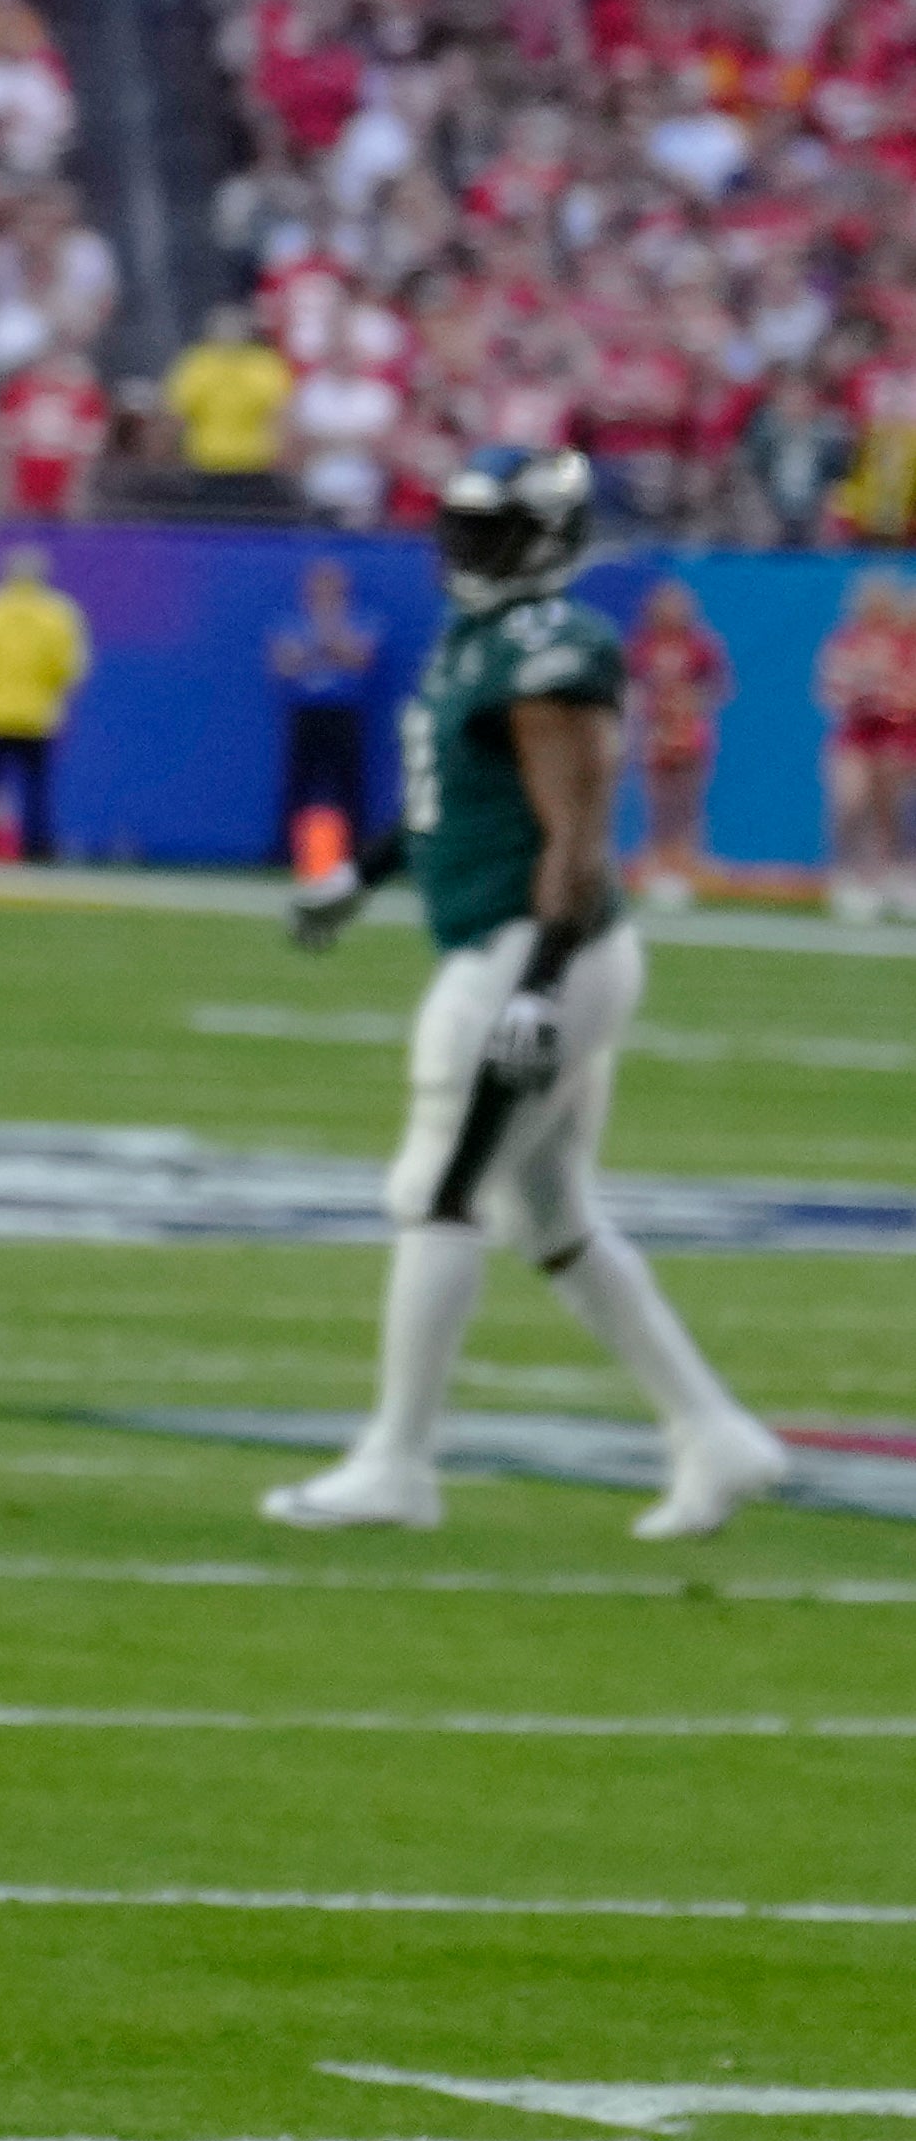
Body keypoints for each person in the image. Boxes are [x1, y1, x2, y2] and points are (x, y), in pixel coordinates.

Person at [272, 449, 785, 1541]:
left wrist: (540, 984)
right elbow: (441, 805)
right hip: (525, 942)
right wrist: (354, 881)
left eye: (488, 533)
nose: (462, 550)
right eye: (460, 529)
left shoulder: (550, 652)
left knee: (439, 1189)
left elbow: (581, 832)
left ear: (543, 540)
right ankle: (714, 1431)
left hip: (531, 949)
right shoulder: (480, 643)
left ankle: (398, 1460)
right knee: (551, 1216)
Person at [0, 543, 86, 860]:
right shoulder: (58, 613)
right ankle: (38, 849)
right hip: (39, 715)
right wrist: (57, 700)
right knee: (36, 788)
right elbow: (70, 667)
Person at [816, 570, 916, 923]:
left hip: (896, 738)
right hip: (855, 736)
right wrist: (862, 692)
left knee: (890, 810)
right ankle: (846, 874)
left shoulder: (904, 641)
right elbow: (830, 689)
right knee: (850, 802)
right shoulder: (847, 641)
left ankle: (892, 875)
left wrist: (893, 698)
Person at [267, 556, 382, 864]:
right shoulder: (291, 621)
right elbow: (284, 665)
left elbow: (361, 659)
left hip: (343, 712)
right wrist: (328, 649)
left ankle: (355, 854)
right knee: (298, 784)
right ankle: (287, 852)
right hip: (306, 712)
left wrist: (322, 644)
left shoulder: (361, 619)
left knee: (349, 785)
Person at [623, 577, 729, 897]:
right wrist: (640, 726)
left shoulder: (700, 645)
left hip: (689, 729)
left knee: (687, 800)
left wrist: (690, 705)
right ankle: (658, 860)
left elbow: (717, 686)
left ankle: (687, 861)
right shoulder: (644, 645)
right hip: (656, 730)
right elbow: (633, 689)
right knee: (659, 800)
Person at [162, 303, 295, 510]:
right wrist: (173, 458)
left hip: (255, 466)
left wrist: (280, 459)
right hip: (205, 464)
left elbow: (280, 417)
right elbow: (175, 416)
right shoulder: (197, 364)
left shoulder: (265, 365)